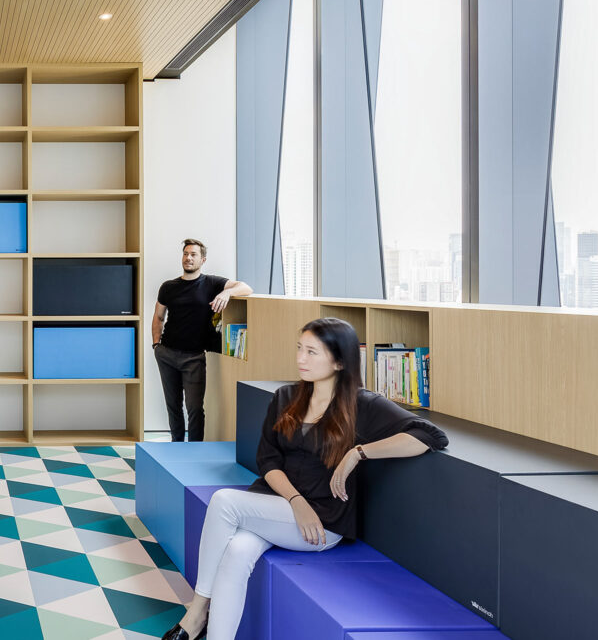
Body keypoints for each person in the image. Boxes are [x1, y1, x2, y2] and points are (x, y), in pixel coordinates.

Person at [162, 317, 448, 640]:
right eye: (300, 348)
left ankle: (196, 613)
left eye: (312, 352)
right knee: (238, 551)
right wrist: (295, 501)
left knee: (223, 501)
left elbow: (429, 436)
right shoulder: (285, 397)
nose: (300, 358)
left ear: (339, 361)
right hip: (280, 508)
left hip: (323, 521)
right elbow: (267, 460)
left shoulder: (362, 405)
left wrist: (358, 453)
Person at [152, 239, 253, 441]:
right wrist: (156, 345)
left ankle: (195, 449)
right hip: (167, 354)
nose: (188, 258)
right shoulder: (169, 287)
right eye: (185, 254)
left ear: (203, 259)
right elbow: (159, 317)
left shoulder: (212, 283)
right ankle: (176, 445)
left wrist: (227, 292)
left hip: (194, 357)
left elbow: (246, 287)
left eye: (193, 254)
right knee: (173, 406)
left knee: (195, 408)